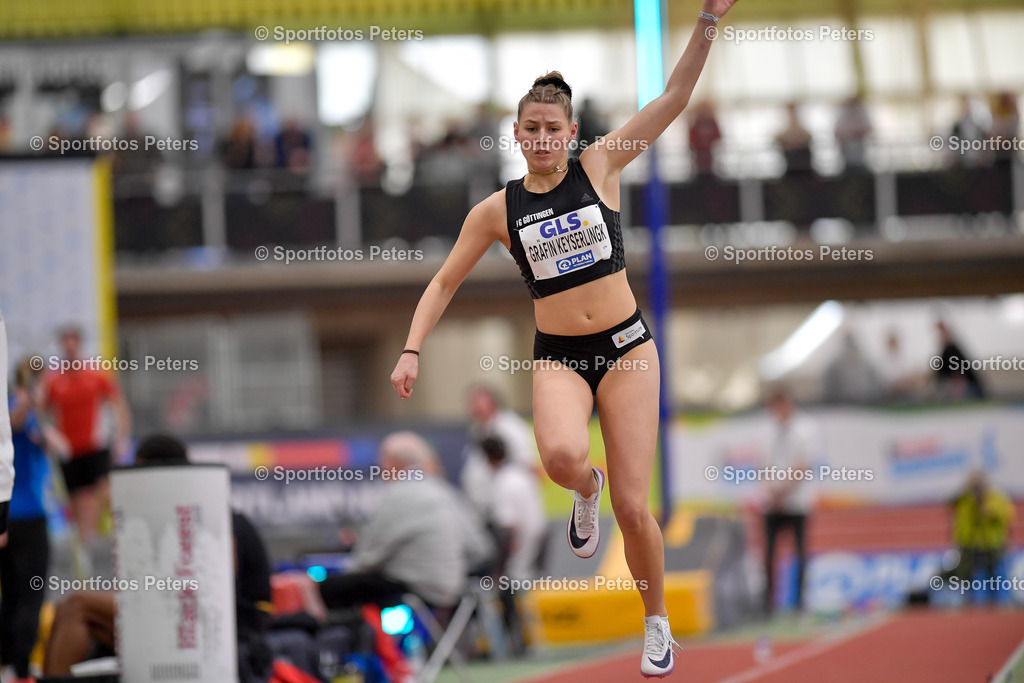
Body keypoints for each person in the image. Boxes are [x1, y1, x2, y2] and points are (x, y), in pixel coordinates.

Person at [389, 2, 740, 674]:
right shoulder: (497, 211)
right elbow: (443, 282)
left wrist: (706, 20)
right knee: (557, 457)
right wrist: (411, 348)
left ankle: (656, 622)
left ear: (572, 132)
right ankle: (585, 487)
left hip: (628, 349)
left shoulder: (601, 166)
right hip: (561, 356)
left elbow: (673, 97)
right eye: (533, 129)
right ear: (516, 134)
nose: (544, 138)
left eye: (554, 128)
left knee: (634, 508)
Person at [43, 434, 274, 680]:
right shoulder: (175, 517)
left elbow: (212, 592)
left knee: (78, 605)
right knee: (67, 608)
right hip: (175, 612)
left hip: (222, 626)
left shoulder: (214, 519)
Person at [315, 431, 468, 612]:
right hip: (451, 587)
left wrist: (343, 570)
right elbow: (476, 546)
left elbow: (368, 558)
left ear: (394, 462)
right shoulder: (443, 491)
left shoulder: (398, 494)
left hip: (419, 588)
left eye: (382, 461)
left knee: (332, 587)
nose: (381, 469)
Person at [39, 325, 131, 552]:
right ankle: (84, 547)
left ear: (79, 345)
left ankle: (106, 536)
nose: (70, 347)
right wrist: (49, 439)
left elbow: (118, 405)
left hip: (95, 444)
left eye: (74, 341)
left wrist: (122, 436)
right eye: (66, 342)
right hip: (69, 449)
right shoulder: (54, 381)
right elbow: (42, 413)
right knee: (76, 501)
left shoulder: (95, 376)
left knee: (104, 491)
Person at [2, 359, 65, 683]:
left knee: (13, 596)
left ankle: (10, 665)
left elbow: (62, 448)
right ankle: (21, 668)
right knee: (29, 596)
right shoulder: (19, 411)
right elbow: (14, 425)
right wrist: (28, 404)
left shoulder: (35, 416)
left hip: (9, 518)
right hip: (27, 518)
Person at [761, 390, 818, 616]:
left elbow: (803, 465)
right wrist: (771, 492)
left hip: (797, 501)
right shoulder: (767, 431)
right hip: (772, 503)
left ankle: (800, 603)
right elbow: (763, 464)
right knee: (769, 553)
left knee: (800, 552)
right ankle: (768, 604)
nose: (777, 412)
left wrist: (783, 491)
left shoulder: (806, 429)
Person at [460, 385, 541, 516]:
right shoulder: (477, 429)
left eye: (479, 405)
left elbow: (529, 463)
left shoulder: (511, 426)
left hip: (509, 503)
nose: (475, 410)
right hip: (484, 505)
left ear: (492, 404)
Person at [945, 471, 1015, 602]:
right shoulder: (965, 499)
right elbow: (948, 504)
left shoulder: (996, 498)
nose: (975, 487)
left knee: (995, 574)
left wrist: (983, 505)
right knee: (970, 574)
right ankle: (972, 602)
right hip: (969, 543)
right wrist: (964, 492)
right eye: (972, 483)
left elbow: (1003, 515)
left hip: (993, 544)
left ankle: (1000, 602)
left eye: (977, 483)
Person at [933, 319, 985, 401]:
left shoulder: (952, 351)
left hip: (968, 388)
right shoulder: (946, 351)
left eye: (941, 332)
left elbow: (958, 375)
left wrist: (956, 392)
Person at [834, 95, 872, 173]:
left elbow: (868, 128)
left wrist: (856, 132)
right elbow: (837, 132)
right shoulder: (843, 114)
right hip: (846, 152)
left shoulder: (862, 113)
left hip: (860, 153)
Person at [776, 102, 813, 177]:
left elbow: (809, 137)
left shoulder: (802, 129)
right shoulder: (786, 130)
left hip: (804, 167)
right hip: (791, 167)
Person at [687, 101, 722, 176]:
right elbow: (691, 139)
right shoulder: (696, 124)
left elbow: (718, 136)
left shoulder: (712, 123)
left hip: (710, 157)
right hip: (698, 157)